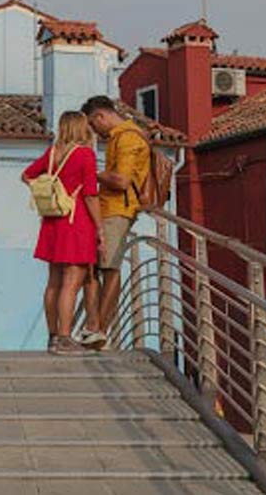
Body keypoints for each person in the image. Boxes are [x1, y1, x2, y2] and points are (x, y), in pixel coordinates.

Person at [21, 111, 103, 354]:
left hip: (52, 220)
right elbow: (90, 193)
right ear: (81, 128)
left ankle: (53, 336)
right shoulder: (84, 154)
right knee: (72, 281)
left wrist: (50, 188)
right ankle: (66, 338)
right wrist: (99, 228)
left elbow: (26, 175)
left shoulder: (52, 154)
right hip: (75, 221)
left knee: (54, 282)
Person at [79, 95, 151, 349]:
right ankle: (96, 328)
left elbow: (120, 180)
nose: (94, 131)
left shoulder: (127, 138)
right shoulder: (122, 136)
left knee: (107, 268)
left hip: (117, 209)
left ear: (101, 116)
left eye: (92, 124)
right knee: (100, 267)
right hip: (112, 209)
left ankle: (98, 329)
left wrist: (93, 174)